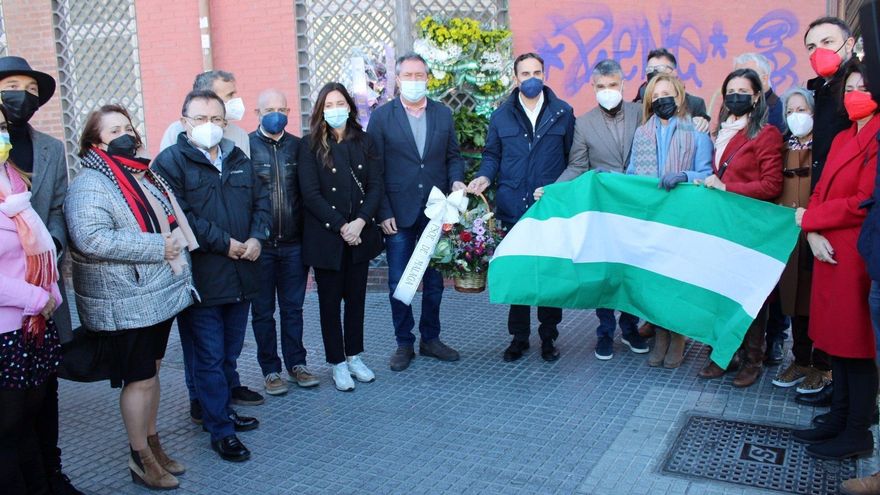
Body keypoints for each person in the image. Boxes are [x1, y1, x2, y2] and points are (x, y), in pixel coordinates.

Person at [65, 105, 197, 489]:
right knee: (138, 378)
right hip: (126, 299)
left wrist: (168, 250)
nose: (125, 134)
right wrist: (158, 247)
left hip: (155, 294)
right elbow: (91, 239)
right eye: (113, 130)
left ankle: (153, 444)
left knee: (151, 372)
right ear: (95, 141)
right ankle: (140, 457)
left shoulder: (141, 172)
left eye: (127, 127)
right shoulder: (91, 183)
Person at [153, 89, 271, 462]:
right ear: (184, 122)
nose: (209, 126)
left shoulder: (238, 158)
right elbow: (180, 215)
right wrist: (227, 244)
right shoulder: (169, 163)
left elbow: (262, 203)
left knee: (229, 354)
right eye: (200, 118)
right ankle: (220, 430)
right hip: (201, 277)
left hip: (243, 274)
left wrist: (256, 237)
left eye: (216, 119)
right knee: (208, 355)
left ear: (225, 122)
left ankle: (219, 410)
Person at [791, 61, 879, 461]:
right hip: (828, 248)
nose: (854, 94)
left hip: (856, 254)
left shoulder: (876, 138)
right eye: (850, 87)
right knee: (839, 346)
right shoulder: (845, 135)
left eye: (863, 86)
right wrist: (811, 229)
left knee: (856, 346)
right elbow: (822, 190)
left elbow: (864, 199)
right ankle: (838, 416)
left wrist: (812, 220)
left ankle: (857, 430)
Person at [0, 55, 79, 494]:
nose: (21, 96)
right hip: (11, 303)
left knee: (44, 394)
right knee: (12, 413)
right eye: (12, 85)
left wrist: (49, 249)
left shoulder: (48, 147)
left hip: (43, 290)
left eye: (30, 90)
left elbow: (56, 208)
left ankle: (51, 472)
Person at [468, 52, 575, 362]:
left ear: (544, 74)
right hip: (514, 207)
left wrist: (558, 191)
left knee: (549, 275)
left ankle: (548, 337)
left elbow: (572, 160)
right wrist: (484, 177)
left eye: (537, 72)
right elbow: (492, 156)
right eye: (525, 73)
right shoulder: (501, 115)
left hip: (548, 209)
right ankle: (518, 337)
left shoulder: (563, 113)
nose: (531, 78)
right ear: (515, 78)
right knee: (519, 273)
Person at [367, 53, 466, 372]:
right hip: (398, 214)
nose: (414, 81)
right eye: (408, 75)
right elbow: (374, 169)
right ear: (397, 80)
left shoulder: (443, 114)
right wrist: (382, 211)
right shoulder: (382, 118)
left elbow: (454, 156)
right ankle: (403, 343)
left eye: (419, 75)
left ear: (428, 77)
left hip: (437, 213)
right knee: (399, 282)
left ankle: (430, 338)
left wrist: (457, 181)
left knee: (434, 282)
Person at [540, 59, 647, 353]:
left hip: (639, 208)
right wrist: (553, 191)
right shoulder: (584, 123)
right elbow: (577, 166)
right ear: (593, 88)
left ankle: (630, 327)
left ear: (623, 84)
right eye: (601, 86)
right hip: (606, 210)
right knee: (606, 271)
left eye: (613, 85)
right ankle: (605, 331)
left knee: (633, 270)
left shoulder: (642, 113)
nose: (608, 91)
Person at [697, 68, 783, 388]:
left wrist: (726, 189)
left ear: (756, 96)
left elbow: (772, 184)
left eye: (742, 90)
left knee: (751, 295)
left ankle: (753, 359)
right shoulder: (720, 131)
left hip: (751, 227)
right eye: (730, 90)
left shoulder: (766, 133)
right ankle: (725, 354)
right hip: (723, 225)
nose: (735, 96)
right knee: (722, 291)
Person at [298, 82, 384, 391]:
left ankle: (355, 356)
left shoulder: (365, 141)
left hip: (359, 236)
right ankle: (336, 362)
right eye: (329, 104)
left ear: (349, 106)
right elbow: (310, 194)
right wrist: (341, 226)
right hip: (328, 239)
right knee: (330, 303)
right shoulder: (309, 146)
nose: (335, 109)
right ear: (321, 110)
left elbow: (375, 186)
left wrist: (360, 222)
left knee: (357, 301)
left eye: (340, 103)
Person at [626, 73, 713, 368]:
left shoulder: (697, 132)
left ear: (679, 96)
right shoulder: (642, 134)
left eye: (669, 93)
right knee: (653, 280)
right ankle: (660, 333)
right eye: (657, 94)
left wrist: (685, 176)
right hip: (651, 218)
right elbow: (631, 173)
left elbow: (706, 173)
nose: (663, 99)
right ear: (650, 100)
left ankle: (677, 336)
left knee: (678, 278)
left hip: (683, 219)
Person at [793, 16, 858, 409]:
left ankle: (851, 402)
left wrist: (817, 222)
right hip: (824, 216)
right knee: (831, 311)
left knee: (851, 318)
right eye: (812, 47)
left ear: (849, 46)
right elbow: (823, 167)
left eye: (828, 42)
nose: (820, 52)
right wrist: (813, 225)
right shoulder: (824, 92)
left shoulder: (852, 93)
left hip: (848, 220)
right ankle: (840, 394)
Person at [248, 89, 319, 396]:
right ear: (257, 113)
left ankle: (297, 364)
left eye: (281, 108)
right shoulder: (245, 148)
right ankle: (270, 370)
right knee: (263, 311)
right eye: (268, 109)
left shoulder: (300, 147)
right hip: (260, 246)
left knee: (293, 309)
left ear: (289, 111)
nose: (275, 114)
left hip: (294, 243)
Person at [771, 87, 833, 399]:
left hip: (818, 236)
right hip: (790, 241)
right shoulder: (782, 149)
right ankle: (801, 359)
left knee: (818, 301)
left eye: (803, 110)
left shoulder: (825, 149)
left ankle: (822, 366)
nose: (797, 116)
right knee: (794, 301)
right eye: (791, 111)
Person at [159, 70, 251, 157]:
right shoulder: (175, 131)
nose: (235, 100)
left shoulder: (240, 135)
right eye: (230, 95)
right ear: (208, 96)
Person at [632, 48, 710, 131]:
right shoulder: (640, 103)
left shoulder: (694, 103)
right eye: (650, 69)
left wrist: (702, 124)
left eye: (660, 68)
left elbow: (702, 134)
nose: (654, 73)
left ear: (674, 72)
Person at [733, 53, 785, 133]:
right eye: (736, 76)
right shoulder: (732, 106)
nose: (740, 81)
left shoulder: (778, 110)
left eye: (747, 76)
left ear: (764, 79)